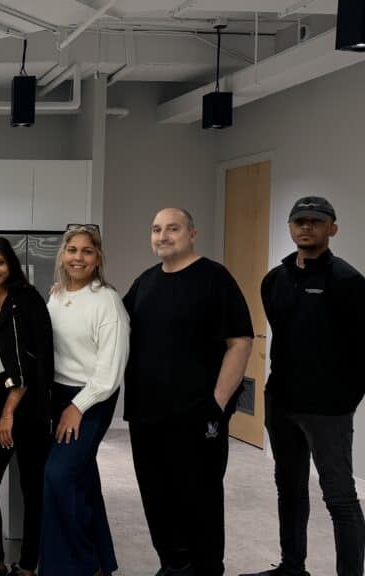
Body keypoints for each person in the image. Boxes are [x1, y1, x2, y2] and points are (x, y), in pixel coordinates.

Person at [123, 208, 253, 576]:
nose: (163, 236)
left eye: (173, 228)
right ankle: (172, 565)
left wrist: (217, 404)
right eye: (156, 229)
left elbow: (240, 342)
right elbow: (116, 328)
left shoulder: (214, 278)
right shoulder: (145, 282)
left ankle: (206, 569)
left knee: (199, 501)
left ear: (192, 234)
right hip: (147, 416)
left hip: (197, 415)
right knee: (157, 499)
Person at [243, 197, 365, 576]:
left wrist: (344, 399)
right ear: (291, 227)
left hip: (328, 410)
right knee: (290, 489)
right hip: (282, 403)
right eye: (300, 221)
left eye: (316, 221)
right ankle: (292, 567)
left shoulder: (348, 281)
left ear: (333, 228)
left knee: (340, 498)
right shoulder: (274, 280)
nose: (306, 227)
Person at [41, 225, 129, 576]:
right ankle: (99, 562)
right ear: (63, 255)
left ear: (98, 258)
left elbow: (110, 371)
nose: (78, 257)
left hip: (91, 398)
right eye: (72, 250)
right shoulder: (57, 295)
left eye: (87, 251)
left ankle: (77, 565)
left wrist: (77, 407)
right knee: (82, 478)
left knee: (58, 475)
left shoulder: (107, 301)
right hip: (58, 394)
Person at [0, 237, 53, 576]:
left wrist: (8, 413)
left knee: (32, 488)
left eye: (0, 262)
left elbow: (29, 359)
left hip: (27, 399)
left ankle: (28, 564)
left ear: (11, 265)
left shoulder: (24, 299)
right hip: (1, 392)